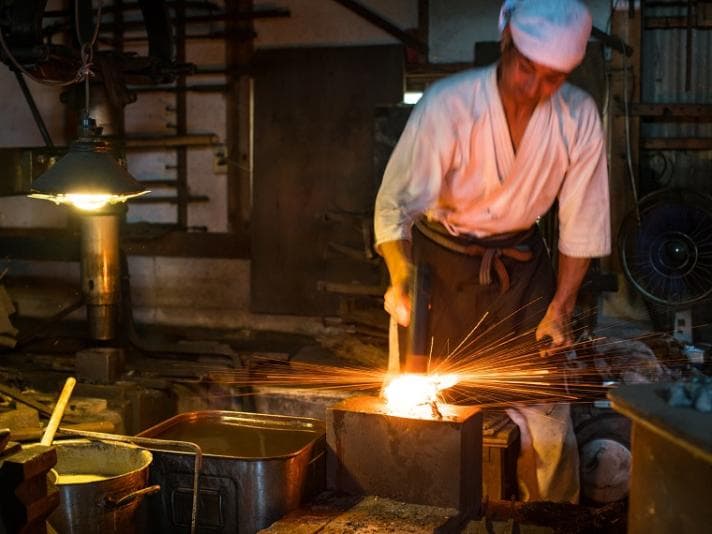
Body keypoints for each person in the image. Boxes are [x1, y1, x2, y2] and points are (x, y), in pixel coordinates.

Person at [374, 0, 610, 503]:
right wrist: (400, 274)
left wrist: (561, 308)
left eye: (552, 78)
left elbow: (582, 224)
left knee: (547, 417)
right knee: (413, 408)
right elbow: (396, 204)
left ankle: (550, 516)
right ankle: (410, 510)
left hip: (521, 270)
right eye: (527, 69)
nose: (535, 88)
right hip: (439, 269)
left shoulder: (578, 116)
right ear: (507, 44)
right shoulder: (449, 104)